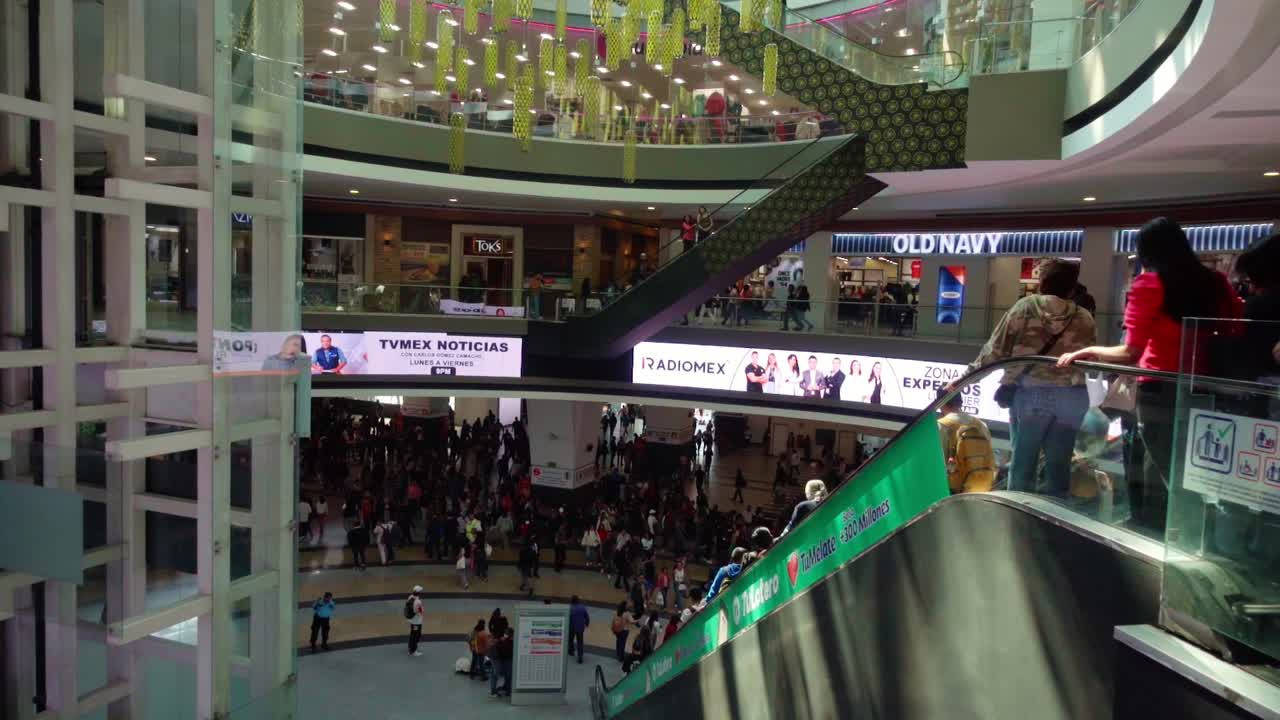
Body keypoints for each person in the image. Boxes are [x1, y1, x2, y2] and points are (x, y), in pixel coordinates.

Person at [1059, 219, 1241, 530]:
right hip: (1206, 387)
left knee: (1162, 466)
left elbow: (1131, 352)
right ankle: (1192, 533)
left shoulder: (1150, 285)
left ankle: (1163, 531)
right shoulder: (1216, 282)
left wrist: (1088, 351)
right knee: (1193, 466)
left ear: (1146, 251)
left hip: (1160, 388)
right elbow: (1233, 328)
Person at [968, 260, 1097, 499]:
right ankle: (1054, 514)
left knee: (1023, 465)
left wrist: (966, 378)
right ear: (1072, 288)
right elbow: (1090, 357)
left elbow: (995, 351)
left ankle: (1019, 516)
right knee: (1059, 467)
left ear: (1042, 283)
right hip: (1072, 396)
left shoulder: (1024, 307)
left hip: (1031, 394)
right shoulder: (1085, 317)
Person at [936, 389, 996, 493]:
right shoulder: (981, 425)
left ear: (941, 403)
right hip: (982, 486)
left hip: (956, 490)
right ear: (961, 402)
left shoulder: (942, 425)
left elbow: (939, 463)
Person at [568, 595, 590, 664]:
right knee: (580, 642)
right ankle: (580, 657)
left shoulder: (570, 608)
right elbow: (587, 617)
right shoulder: (582, 607)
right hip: (580, 628)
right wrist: (587, 623)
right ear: (578, 600)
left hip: (571, 627)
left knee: (570, 639)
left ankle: (571, 651)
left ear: (572, 601)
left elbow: (567, 618)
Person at [406, 585, 425, 656]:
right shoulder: (418, 602)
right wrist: (422, 609)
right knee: (416, 635)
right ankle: (413, 650)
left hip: (412, 620)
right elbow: (420, 611)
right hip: (416, 622)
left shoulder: (410, 597)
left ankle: (410, 647)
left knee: (412, 634)